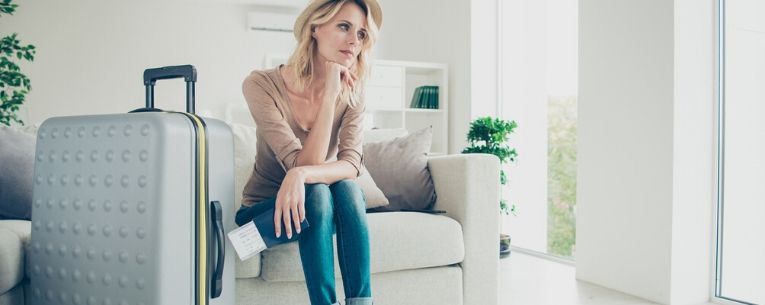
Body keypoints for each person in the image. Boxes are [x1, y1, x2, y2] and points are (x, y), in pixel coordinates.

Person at [235, 0, 382, 304]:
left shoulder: (355, 91)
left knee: (347, 190)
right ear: (316, 27)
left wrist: (300, 174)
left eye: (362, 34)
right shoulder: (260, 85)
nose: (354, 41)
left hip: (319, 206)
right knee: (317, 192)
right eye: (344, 26)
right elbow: (304, 162)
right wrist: (330, 93)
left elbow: (351, 164)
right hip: (264, 208)